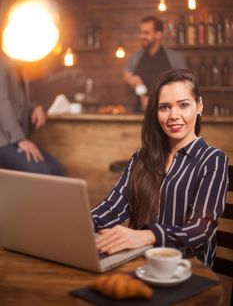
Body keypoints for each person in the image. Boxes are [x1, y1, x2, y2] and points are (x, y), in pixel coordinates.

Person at [92, 69, 228, 267]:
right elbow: (112, 209)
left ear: (199, 105)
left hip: (188, 270)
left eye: (183, 105)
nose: (174, 115)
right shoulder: (141, 157)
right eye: (164, 107)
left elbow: (201, 229)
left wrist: (149, 236)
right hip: (139, 264)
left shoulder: (213, 159)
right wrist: (83, 224)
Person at [0, 56, 64, 176]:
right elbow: (2, 102)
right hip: (4, 140)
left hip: (13, 139)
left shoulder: (18, 64)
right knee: (40, 171)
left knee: (56, 168)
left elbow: (17, 100)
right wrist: (20, 139)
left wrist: (34, 107)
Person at [124, 16, 186, 112]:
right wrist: (136, 83)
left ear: (158, 35)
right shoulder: (135, 57)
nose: (142, 36)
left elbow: (184, 84)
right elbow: (128, 76)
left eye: (146, 33)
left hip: (168, 114)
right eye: (141, 32)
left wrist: (157, 100)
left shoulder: (174, 58)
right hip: (140, 114)